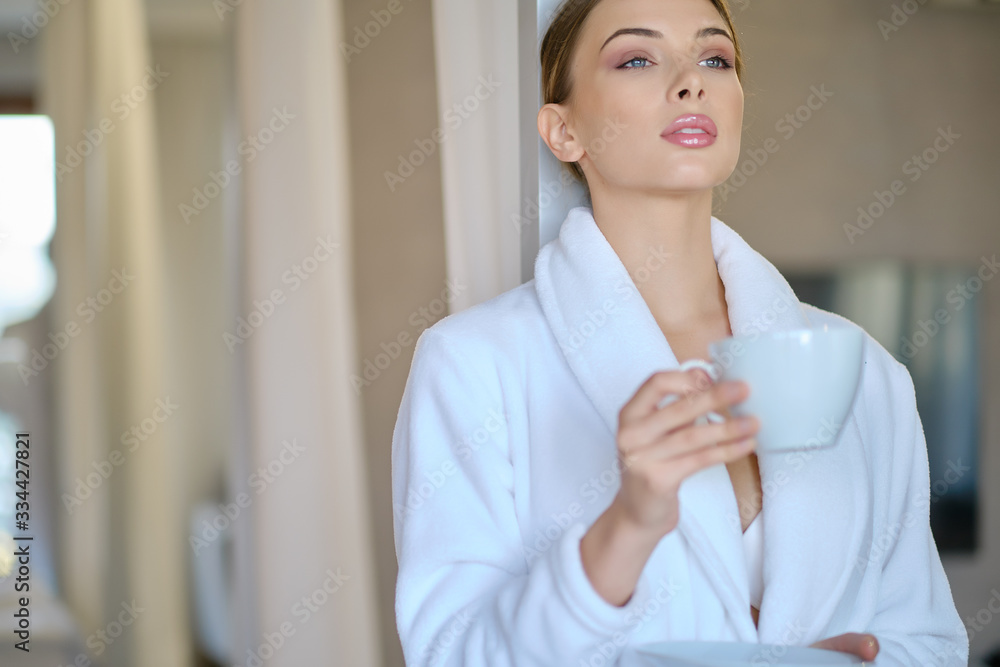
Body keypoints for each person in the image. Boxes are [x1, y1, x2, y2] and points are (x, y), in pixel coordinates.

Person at [391, 0, 969, 664]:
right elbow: (454, 655)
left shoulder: (866, 374)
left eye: (714, 57)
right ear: (562, 131)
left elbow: (928, 643)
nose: (692, 80)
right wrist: (628, 525)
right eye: (637, 58)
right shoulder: (471, 366)